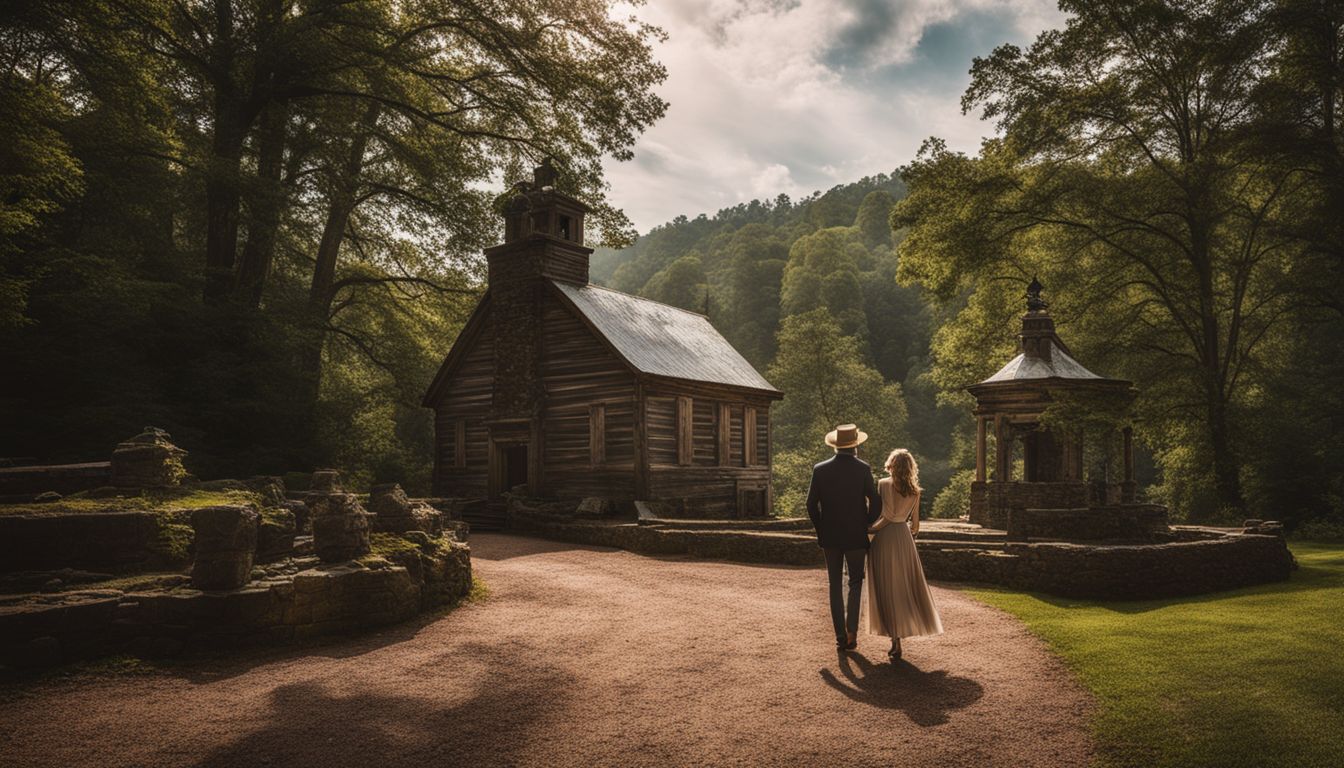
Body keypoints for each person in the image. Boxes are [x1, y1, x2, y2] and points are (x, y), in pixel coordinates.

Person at [806, 424, 882, 651]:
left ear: (836, 446)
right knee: (856, 582)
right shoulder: (863, 469)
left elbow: (811, 504)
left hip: (830, 535)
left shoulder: (820, 469)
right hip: (856, 535)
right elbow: (875, 500)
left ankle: (839, 635)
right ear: (855, 445)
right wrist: (867, 523)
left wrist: (821, 529)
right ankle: (851, 633)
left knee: (834, 585)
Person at [866, 448, 943, 660]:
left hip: (887, 536)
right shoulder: (915, 490)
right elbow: (916, 525)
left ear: (892, 464)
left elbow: (887, 515)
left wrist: (870, 529)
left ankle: (895, 640)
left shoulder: (884, 484)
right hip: (904, 538)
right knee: (903, 586)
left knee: (887, 586)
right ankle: (898, 638)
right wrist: (906, 533)